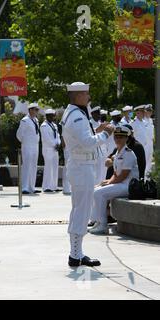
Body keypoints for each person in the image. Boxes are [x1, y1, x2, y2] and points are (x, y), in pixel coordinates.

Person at [60, 82, 114, 267]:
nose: (88, 97)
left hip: (81, 165)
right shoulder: (76, 116)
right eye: (85, 94)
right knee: (81, 211)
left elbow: (82, 136)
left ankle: (77, 252)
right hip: (82, 166)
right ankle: (75, 255)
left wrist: (97, 130)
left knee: (79, 210)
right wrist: (106, 134)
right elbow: (87, 142)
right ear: (77, 96)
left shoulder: (75, 113)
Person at [89, 126, 139, 235]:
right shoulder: (118, 153)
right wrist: (107, 181)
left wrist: (110, 182)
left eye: (121, 137)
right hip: (121, 184)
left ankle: (102, 224)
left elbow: (124, 176)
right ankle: (98, 221)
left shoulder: (128, 153)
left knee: (98, 193)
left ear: (127, 138)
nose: (118, 139)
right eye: (116, 137)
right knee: (96, 189)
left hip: (128, 186)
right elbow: (116, 173)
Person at [16, 102, 41, 194]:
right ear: (30, 110)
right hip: (27, 145)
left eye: (37, 110)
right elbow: (19, 134)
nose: (37, 111)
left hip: (35, 145)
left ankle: (31, 187)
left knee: (34, 166)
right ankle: (24, 187)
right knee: (26, 166)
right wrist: (25, 141)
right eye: (35, 110)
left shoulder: (36, 120)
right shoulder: (25, 120)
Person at [40, 109, 61, 192]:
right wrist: (54, 144)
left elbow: (58, 136)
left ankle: (54, 186)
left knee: (55, 167)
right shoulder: (44, 126)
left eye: (53, 115)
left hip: (55, 149)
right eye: (52, 115)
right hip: (48, 149)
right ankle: (46, 186)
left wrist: (58, 143)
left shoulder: (54, 125)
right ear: (47, 116)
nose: (53, 117)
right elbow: (46, 138)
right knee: (48, 167)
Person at [90, 106, 107, 184]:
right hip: (94, 150)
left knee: (102, 170)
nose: (99, 116)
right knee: (96, 171)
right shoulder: (89, 123)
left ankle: (100, 185)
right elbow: (90, 135)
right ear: (92, 114)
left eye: (99, 114)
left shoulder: (100, 123)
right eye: (97, 114)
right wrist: (97, 129)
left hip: (102, 150)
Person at [131, 105, 149, 176]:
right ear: (138, 113)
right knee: (138, 165)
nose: (144, 113)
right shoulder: (134, 123)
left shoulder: (143, 122)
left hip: (144, 147)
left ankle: (142, 179)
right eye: (142, 112)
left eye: (143, 112)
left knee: (143, 165)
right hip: (137, 148)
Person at [144, 104, 154, 176]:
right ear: (145, 112)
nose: (150, 113)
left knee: (149, 160)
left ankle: (148, 177)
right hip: (145, 144)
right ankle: (144, 177)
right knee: (144, 160)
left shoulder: (150, 120)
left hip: (150, 143)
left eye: (151, 111)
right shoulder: (143, 120)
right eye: (148, 111)